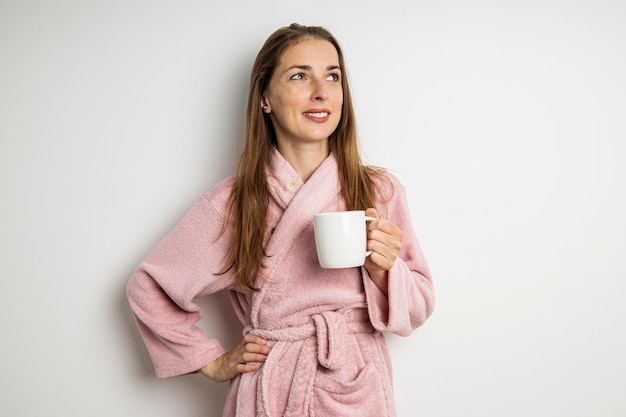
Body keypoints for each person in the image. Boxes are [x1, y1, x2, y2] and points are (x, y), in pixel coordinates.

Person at [127, 23, 435, 417]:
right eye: (299, 75)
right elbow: (149, 285)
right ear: (265, 98)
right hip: (273, 383)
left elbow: (419, 308)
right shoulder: (234, 203)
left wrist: (384, 271)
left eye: (333, 76)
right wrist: (209, 360)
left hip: (355, 383)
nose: (321, 91)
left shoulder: (379, 190)